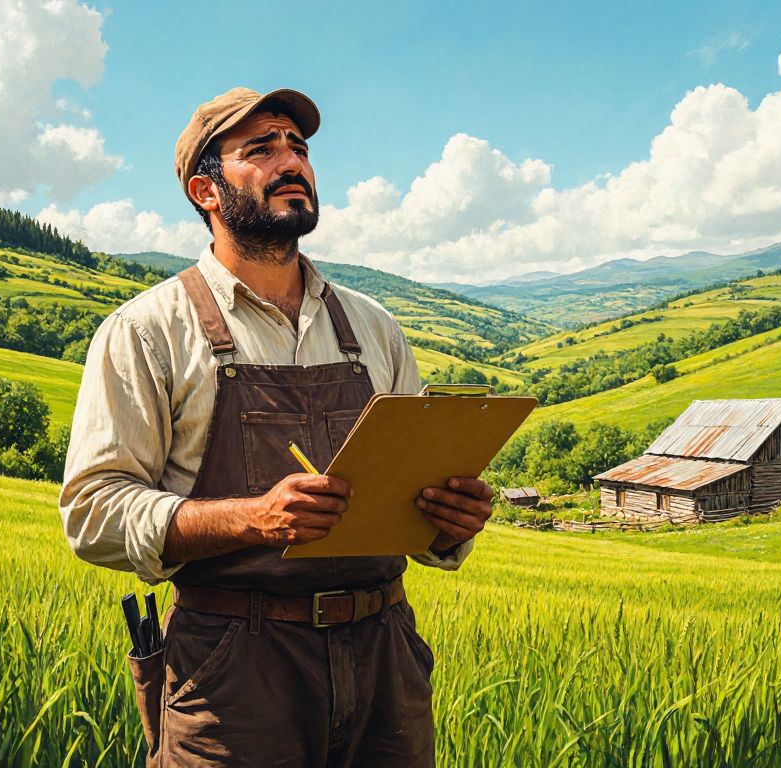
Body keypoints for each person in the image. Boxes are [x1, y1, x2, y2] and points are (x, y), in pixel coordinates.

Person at [59, 86, 495, 767]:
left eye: (299, 147)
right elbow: (93, 511)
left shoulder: (373, 327)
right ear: (206, 190)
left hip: (386, 659)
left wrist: (450, 520)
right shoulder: (147, 330)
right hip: (234, 674)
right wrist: (252, 520)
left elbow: (416, 500)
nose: (291, 161)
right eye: (260, 150)